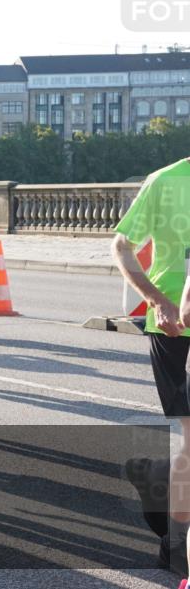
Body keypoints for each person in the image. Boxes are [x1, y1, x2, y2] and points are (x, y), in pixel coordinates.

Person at [113, 156, 190, 573]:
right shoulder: (166, 181)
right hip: (175, 329)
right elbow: (122, 244)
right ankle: (175, 548)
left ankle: (156, 473)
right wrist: (157, 299)